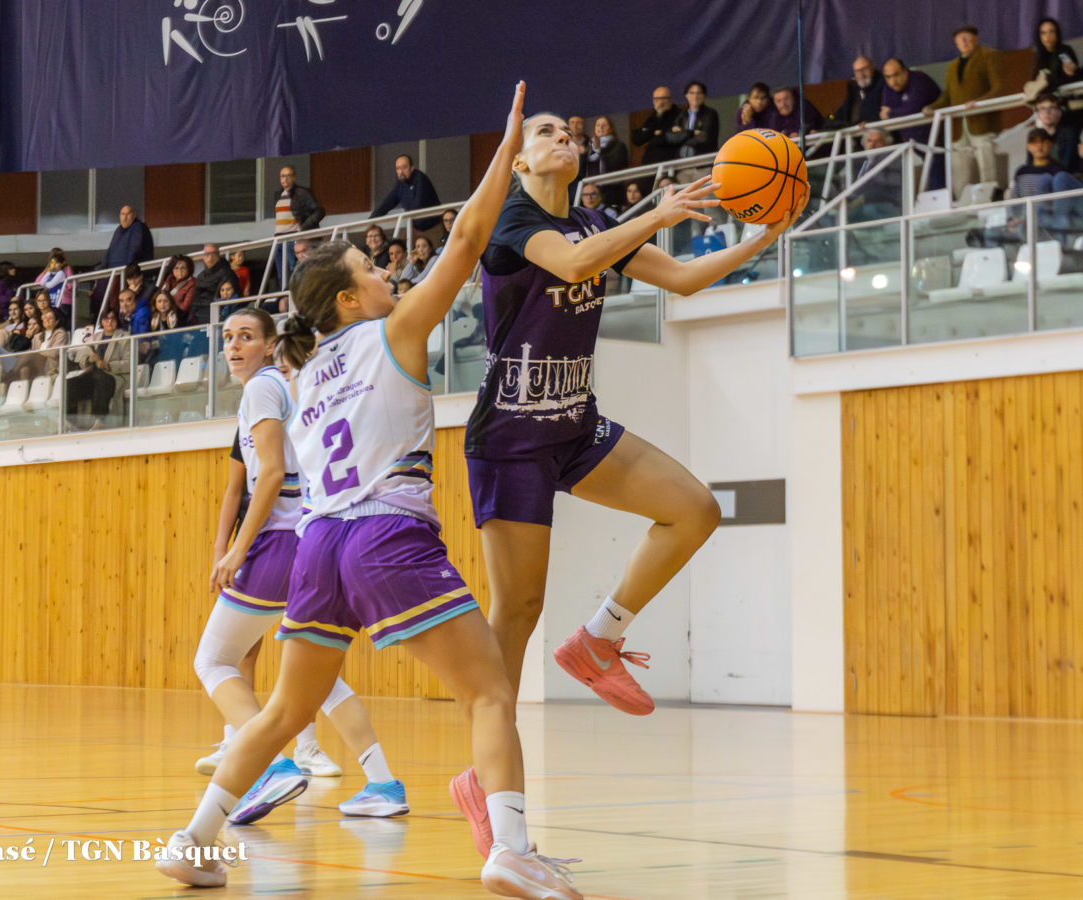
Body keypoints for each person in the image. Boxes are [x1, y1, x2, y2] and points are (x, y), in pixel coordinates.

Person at [156, 81, 583, 900]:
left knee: (284, 712)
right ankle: (513, 850)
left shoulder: (306, 373)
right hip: (386, 535)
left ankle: (195, 838)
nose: (388, 270)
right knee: (491, 688)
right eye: (372, 268)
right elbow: (466, 236)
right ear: (351, 300)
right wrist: (505, 150)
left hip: (320, 545)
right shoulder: (394, 332)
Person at [460, 109, 807, 872]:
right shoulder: (512, 220)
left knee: (694, 510)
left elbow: (679, 277)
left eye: (567, 132)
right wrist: (657, 213)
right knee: (513, 620)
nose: (562, 137)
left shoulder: (594, 218)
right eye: (544, 132)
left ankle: (599, 638)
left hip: (575, 425)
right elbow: (576, 263)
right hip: (511, 438)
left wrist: (762, 238)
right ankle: (490, 787)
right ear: (519, 163)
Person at [190, 309, 403, 821]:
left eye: (247, 337)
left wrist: (238, 548)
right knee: (318, 676)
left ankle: (272, 766)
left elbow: (268, 475)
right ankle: (384, 783)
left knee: (213, 660)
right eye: (227, 338)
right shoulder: (297, 384)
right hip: (316, 539)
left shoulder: (262, 389)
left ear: (269, 345)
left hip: (279, 542)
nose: (234, 346)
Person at [923, 25, 1004, 194]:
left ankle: (990, 198)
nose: (965, 42)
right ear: (956, 44)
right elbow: (947, 96)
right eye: (961, 40)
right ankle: (962, 204)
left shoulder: (988, 56)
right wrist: (932, 107)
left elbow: (998, 87)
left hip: (981, 123)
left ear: (976, 39)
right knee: (959, 169)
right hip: (958, 126)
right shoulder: (952, 67)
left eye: (968, 38)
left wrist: (979, 102)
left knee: (986, 165)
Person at [66, 306, 129, 430]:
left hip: (113, 376)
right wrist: (90, 360)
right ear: (102, 322)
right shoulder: (95, 337)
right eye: (106, 319)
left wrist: (107, 365)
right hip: (93, 374)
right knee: (70, 384)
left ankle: (100, 420)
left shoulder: (124, 337)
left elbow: (129, 362)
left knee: (101, 379)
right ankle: (70, 420)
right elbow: (82, 360)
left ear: (117, 320)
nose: (109, 322)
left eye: (112, 319)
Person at [1011, 128, 1083, 230]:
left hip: (1043, 219)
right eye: (1034, 142)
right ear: (1028, 146)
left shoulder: (1058, 171)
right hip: (1022, 220)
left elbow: (1056, 203)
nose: (1039, 146)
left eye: (1043, 142)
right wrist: (1012, 218)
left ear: (1050, 144)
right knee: (990, 233)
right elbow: (1015, 197)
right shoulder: (1021, 171)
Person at [371, 155, 442, 231]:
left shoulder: (420, 179)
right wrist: (370, 220)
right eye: (398, 168)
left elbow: (417, 205)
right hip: (416, 228)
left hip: (433, 227)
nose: (401, 172)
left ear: (412, 168)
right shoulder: (400, 183)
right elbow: (387, 203)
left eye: (404, 167)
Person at [631, 85, 684, 166]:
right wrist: (655, 131)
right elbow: (638, 139)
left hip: (671, 162)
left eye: (663, 99)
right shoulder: (653, 118)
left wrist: (655, 133)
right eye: (656, 99)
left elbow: (670, 138)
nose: (660, 102)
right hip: (650, 163)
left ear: (670, 100)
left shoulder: (680, 115)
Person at [585, 115, 629, 207]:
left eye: (604, 125)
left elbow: (617, 165)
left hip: (611, 191)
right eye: (598, 125)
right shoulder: (588, 146)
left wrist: (599, 151)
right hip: (591, 191)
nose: (600, 127)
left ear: (610, 129)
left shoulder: (618, 145)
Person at [829, 57, 884, 129]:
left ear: (872, 68)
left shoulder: (882, 85)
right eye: (857, 71)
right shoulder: (853, 89)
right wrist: (828, 124)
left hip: (874, 130)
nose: (861, 74)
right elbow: (842, 112)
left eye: (864, 69)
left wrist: (871, 123)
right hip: (852, 132)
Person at [1032, 17, 1080, 95]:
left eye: (1051, 32)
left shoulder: (1063, 51)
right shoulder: (1040, 55)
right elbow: (1036, 79)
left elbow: (1071, 74)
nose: (1047, 36)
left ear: (1057, 33)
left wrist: (1069, 73)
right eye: (1043, 33)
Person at [100, 205, 155, 270]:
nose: (125, 217)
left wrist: (127, 269)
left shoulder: (138, 227)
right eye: (123, 214)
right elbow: (110, 250)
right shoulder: (118, 230)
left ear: (134, 215)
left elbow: (134, 249)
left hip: (129, 272)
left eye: (128, 214)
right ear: (119, 216)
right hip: (113, 271)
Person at [194, 244, 236, 325]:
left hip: (219, 315)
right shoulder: (200, 276)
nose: (210, 257)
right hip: (200, 317)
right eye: (207, 254)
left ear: (218, 255)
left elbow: (223, 296)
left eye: (213, 254)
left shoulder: (227, 273)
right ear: (203, 257)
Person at [676, 81, 720, 156]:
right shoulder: (681, 115)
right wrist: (692, 133)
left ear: (704, 96)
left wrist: (683, 135)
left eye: (699, 93)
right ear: (686, 95)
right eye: (692, 93)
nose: (695, 96)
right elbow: (672, 137)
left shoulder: (710, 114)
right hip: (681, 158)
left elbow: (705, 136)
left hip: (703, 157)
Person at [163, 256, 197, 324]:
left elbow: (185, 307)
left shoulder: (192, 283)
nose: (179, 271)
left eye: (183, 268)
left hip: (181, 318)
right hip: (165, 314)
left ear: (189, 269)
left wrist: (169, 305)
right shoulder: (168, 280)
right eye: (176, 268)